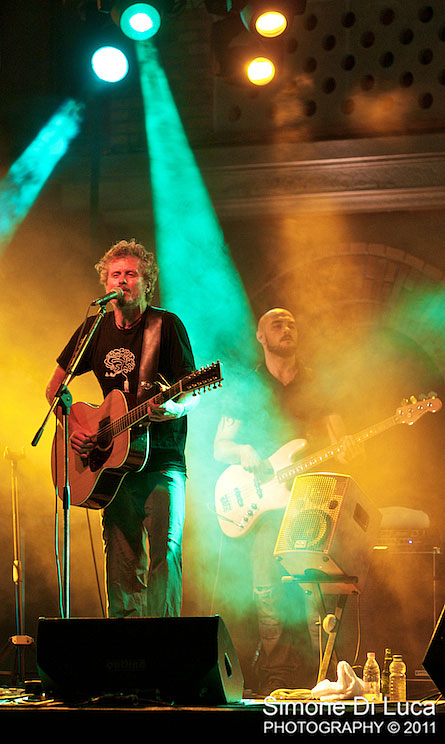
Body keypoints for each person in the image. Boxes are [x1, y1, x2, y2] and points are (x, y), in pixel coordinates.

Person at [46, 239, 198, 618]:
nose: (122, 280)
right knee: (121, 565)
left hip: (161, 462)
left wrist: (174, 409)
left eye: (131, 274)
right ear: (106, 283)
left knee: (165, 555)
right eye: (115, 274)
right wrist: (74, 427)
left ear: (147, 283)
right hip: (114, 469)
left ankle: (165, 645)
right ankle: (126, 649)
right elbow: (55, 389)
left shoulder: (165, 326)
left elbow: (192, 391)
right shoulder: (94, 327)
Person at [214, 307, 356, 695]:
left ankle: (326, 678)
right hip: (266, 506)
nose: (287, 327)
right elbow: (220, 446)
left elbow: (342, 444)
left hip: (311, 502)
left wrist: (348, 448)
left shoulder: (316, 383)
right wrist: (242, 450)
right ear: (261, 337)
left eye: (292, 323)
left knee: (315, 591)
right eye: (276, 324)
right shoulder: (248, 386)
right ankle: (276, 675)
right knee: (267, 593)